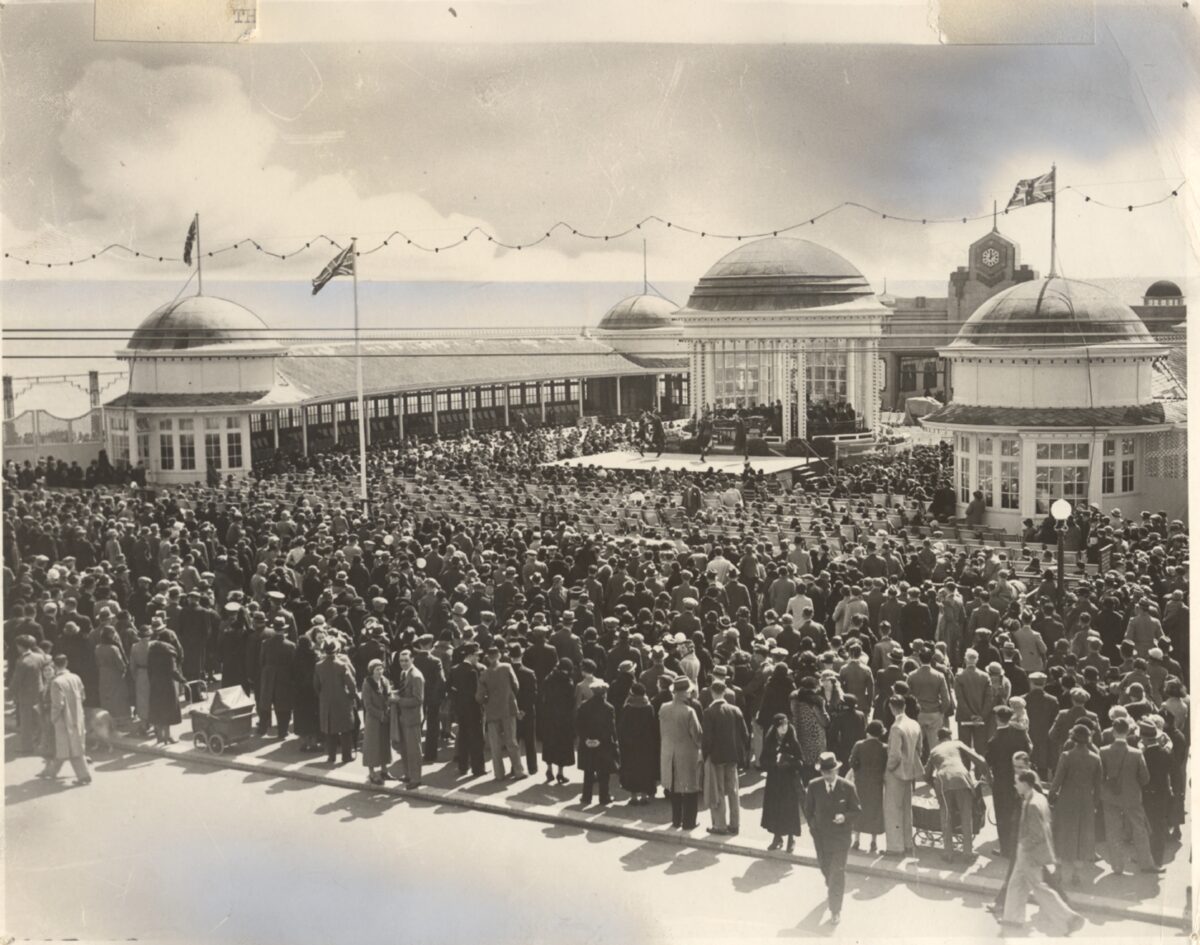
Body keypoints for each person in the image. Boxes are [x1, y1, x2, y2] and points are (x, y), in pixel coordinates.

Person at [1000, 770, 1085, 936]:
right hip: (1030, 849)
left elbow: (1036, 834)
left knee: (1039, 888)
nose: (1015, 785)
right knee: (1016, 883)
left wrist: (1025, 848)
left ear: (1025, 784)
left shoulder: (1031, 804)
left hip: (1028, 851)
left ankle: (1069, 918)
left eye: (1017, 782)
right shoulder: (1039, 797)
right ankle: (1012, 918)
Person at [803, 751, 861, 926]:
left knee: (837, 873)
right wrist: (813, 827)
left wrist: (845, 817)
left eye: (830, 772)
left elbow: (857, 810)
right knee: (826, 870)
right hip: (820, 838)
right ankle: (832, 888)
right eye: (824, 772)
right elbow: (808, 810)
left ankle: (835, 910)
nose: (827, 776)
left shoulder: (848, 787)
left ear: (836, 770)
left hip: (840, 839)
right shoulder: (814, 786)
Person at [1098, 717, 1161, 875]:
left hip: (1110, 796)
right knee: (1140, 829)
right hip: (1132, 796)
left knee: (1113, 831)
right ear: (1128, 732)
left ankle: (1117, 866)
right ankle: (1146, 864)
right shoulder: (1136, 753)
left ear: (1113, 731)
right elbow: (1145, 778)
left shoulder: (1103, 751)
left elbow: (1100, 776)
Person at [1048, 723, 1102, 886]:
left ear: (1073, 737)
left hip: (1066, 799)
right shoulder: (1095, 758)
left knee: (1062, 833)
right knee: (1081, 835)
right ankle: (1076, 874)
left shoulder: (1066, 755)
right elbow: (1098, 785)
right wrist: (1095, 804)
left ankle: (1058, 871)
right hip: (1086, 801)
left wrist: (1051, 796)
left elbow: (1057, 780)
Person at [925, 727, 986, 863]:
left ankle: (948, 853)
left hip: (943, 781)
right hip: (962, 779)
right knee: (966, 816)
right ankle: (968, 853)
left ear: (938, 739)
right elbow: (980, 760)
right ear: (950, 737)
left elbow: (926, 775)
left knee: (946, 816)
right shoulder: (957, 744)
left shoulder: (934, 751)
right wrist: (988, 776)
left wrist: (935, 786)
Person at [701, 679, 749, 836]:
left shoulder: (709, 712)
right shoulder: (735, 710)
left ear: (712, 692)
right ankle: (735, 824)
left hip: (716, 757)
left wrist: (705, 754)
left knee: (718, 790)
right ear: (725, 692)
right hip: (733, 756)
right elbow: (745, 734)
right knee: (733, 790)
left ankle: (720, 825)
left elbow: (707, 739)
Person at [986, 704, 1032, 859]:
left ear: (997, 719)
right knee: (1019, 814)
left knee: (1003, 816)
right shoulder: (1019, 735)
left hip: (1001, 782)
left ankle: (1006, 849)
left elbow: (989, 761)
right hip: (1020, 779)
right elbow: (1028, 751)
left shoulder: (994, 740)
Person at [37, 655, 92, 786]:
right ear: (66, 663)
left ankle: (83, 776)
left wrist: (53, 718)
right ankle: (51, 772)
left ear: (55, 666)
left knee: (67, 748)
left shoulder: (56, 682)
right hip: (77, 716)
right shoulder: (76, 677)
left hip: (63, 719)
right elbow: (83, 696)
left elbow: (58, 704)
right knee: (72, 746)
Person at [476, 646, 526, 781]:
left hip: (492, 711)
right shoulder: (507, 667)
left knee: (495, 744)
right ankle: (518, 771)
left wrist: (487, 701)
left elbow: (479, 697)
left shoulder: (484, 673)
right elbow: (516, 685)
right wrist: (511, 696)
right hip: (508, 708)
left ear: (487, 657)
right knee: (511, 741)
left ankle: (499, 774)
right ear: (498, 655)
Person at [659, 676, 703, 830]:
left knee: (674, 788)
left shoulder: (663, 707)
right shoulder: (689, 711)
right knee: (690, 788)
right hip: (687, 754)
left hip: (668, 752)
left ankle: (676, 820)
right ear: (685, 693)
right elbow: (697, 734)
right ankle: (689, 822)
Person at [883, 694, 921, 857]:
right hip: (910, 770)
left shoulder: (896, 727)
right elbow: (920, 749)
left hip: (896, 772)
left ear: (892, 708)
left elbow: (895, 754)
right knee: (906, 809)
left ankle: (894, 847)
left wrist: (888, 769)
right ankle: (907, 844)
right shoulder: (914, 723)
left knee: (892, 810)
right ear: (904, 706)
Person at [760, 712, 803, 851]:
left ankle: (791, 838)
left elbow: (800, 761)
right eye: (781, 726)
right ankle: (777, 837)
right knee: (775, 809)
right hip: (774, 780)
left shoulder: (792, 739)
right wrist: (773, 764)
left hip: (788, 781)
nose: (784, 728)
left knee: (789, 809)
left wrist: (788, 762)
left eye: (786, 724)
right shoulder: (770, 739)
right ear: (776, 727)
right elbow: (763, 760)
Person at [314, 640, 357, 764]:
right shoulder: (342, 665)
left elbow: (316, 685)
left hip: (326, 701)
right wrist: (351, 696)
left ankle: (331, 756)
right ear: (337, 650)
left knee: (329, 729)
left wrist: (322, 696)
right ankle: (346, 756)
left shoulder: (318, 666)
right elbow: (351, 684)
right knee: (345, 730)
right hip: (342, 700)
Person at [576, 683, 619, 805]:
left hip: (587, 743)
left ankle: (586, 797)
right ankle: (604, 797)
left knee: (588, 771)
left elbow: (579, 725)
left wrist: (586, 739)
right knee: (604, 772)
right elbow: (610, 728)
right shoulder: (609, 708)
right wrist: (602, 740)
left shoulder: (584, 706)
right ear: (604, 693)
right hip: (603, 744)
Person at [448, 643, 486, 777]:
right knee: (476, 739)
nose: (478, 657)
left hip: (460, 710)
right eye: (476, 655)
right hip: (474, 710)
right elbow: (477, 694)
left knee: (463, 738)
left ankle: (462, 766)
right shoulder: (473, 671)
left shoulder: (454, 669)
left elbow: (450, 690)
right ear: (470, 656)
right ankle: (478, 768)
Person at [848, 720, 887, 853]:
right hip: (876, 783)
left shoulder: (859, 745)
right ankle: (873, 842)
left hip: (861, 782)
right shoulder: (884, 747)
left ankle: (857, 840)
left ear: (867, 731)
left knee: (859, 808)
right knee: (875, 810)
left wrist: (859, 770)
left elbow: (852, 762)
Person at [617, 682, 659, 805]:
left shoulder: (628, 708)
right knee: (645, 769)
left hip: (630, 745)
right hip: (646, 745)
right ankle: (644, 796)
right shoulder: (649, 707)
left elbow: (621, 727)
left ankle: (633, 796)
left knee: (631, 769)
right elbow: (653, 727)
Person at [391, 649, 425, 787]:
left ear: (412, 660)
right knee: (405, 749)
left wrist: (398, 700)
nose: (403, 663)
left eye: (406, 660)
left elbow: (418, 700)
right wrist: (394, 693)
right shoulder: (404, 673)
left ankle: (416, 779)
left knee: (414, 750)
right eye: (401, 661)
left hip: (412, 718)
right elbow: (404, 691)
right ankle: (408, 774)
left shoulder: (416, 676)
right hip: (404, 716)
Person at [12, 636, 51, 754]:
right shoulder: (39, 657)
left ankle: (27, 746)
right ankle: (44, 743)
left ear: (20, 646)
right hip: (39, 690)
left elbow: (16, 681)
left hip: (25, 694)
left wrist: (10, 693)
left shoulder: (22, 661)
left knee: (25, 721)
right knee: (40, 718)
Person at [146, 629, 186, 745]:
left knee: (157, 709)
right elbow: (173, 670)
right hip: (167, 684)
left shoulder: (151, 649)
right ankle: (168, 736)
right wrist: (182, 680)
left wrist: (151, 681)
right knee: (168, 709)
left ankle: (159, 736)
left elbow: (149, 669)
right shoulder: (170, 650)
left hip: (155, 682)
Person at [541, 657, 576, 784]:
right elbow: (571, 702)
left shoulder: (548, 679)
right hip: (563, 718)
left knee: (549, 743)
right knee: (562, 745)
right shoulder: (568, 683)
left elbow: (543, 697)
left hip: (549, 716)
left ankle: (549, 769)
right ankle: (560, 773)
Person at [360, 659, 394, 785]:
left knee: (385, 743)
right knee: (372, 745)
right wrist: (380, 715)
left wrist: (389, 709)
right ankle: (372, 773)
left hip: (385, 717)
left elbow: (389, 696)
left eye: (381, 669)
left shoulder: (384, 681)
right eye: (377, 669)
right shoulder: (367, 684)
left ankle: (384, 770)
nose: (380, 672)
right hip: (373, 719)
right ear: (371, 671)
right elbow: (367, 705)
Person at [94, 626, 131, 724]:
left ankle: (108, 717)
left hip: (103, 673)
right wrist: (124, 670)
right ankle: (120, 718)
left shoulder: (97, 648)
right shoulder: (113, 648)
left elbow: (96, 662)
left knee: (106, 695)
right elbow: (120, 663)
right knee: (118, 695)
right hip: (115, 673)